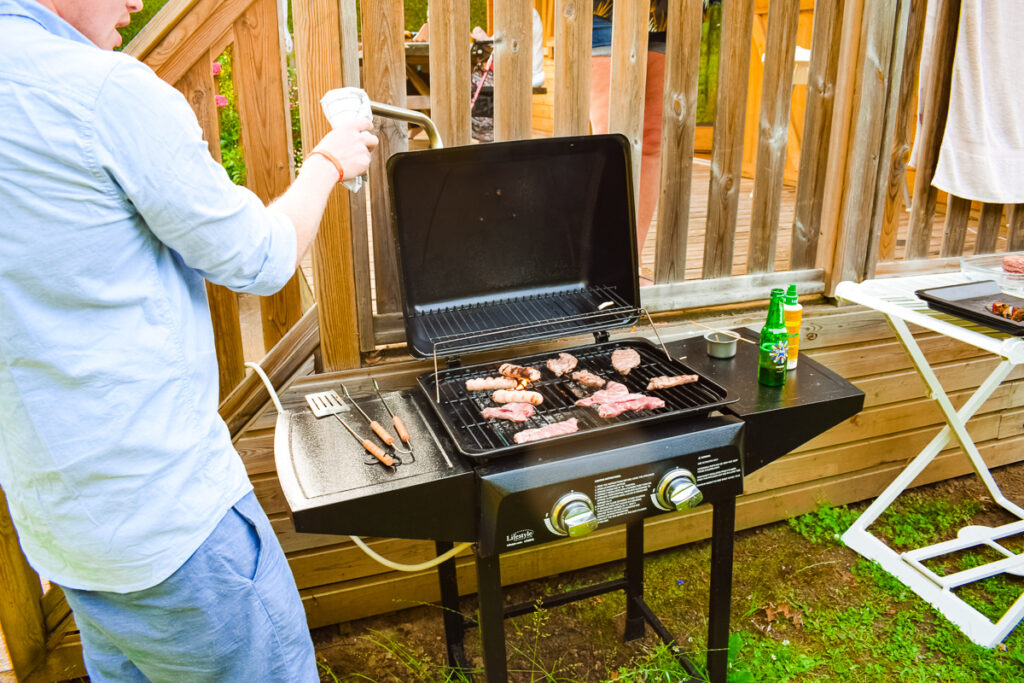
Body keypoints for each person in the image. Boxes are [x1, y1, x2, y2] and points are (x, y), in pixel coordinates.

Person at [0, 0, 378, 681]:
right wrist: (328, 159)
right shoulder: (102, 92)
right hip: (173, 527)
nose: (134, 3)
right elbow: (260, 259)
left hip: (60, 528)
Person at [591, 0, 668, 265]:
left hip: (667, 12)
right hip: (604, 9)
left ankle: (630, 263)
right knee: (610, 138)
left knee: (652, 139)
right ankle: (603, 263)